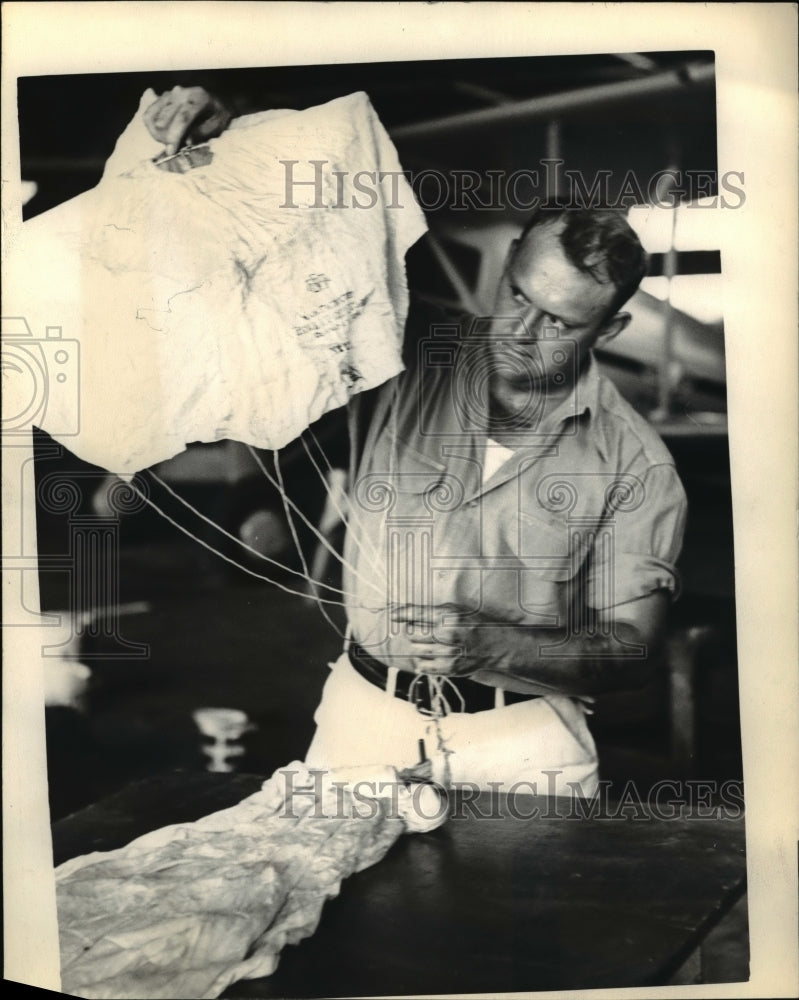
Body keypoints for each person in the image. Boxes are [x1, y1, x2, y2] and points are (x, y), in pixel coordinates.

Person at [144, 88, 688, 798]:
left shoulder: (637, 464)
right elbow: (301, 259)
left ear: (608, 333)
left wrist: (494, 644)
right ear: (508, 266)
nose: (521, 333)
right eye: (519, 295)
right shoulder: (410, 346)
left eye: (558, 322)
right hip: (361, 716)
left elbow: (632, 648)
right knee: (324, 898)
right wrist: (234, 144)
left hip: (520, 744)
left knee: (517, 913)